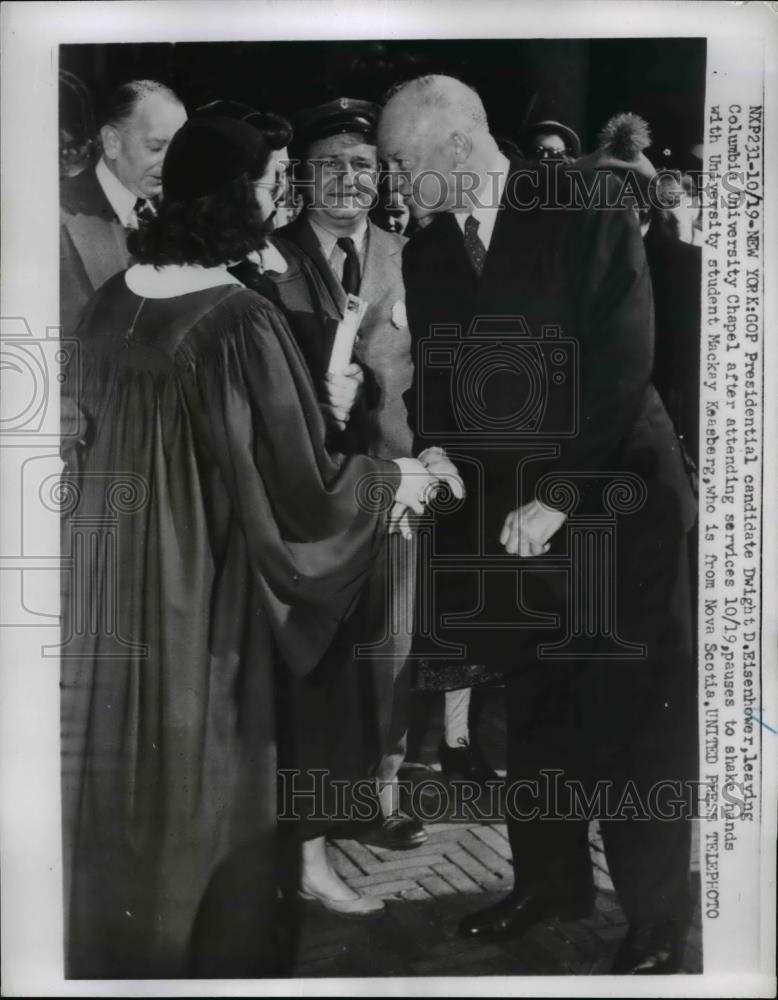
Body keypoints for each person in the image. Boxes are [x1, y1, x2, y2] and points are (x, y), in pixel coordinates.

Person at [60, 114, 441, 978]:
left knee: (134, 779)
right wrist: (392, 484)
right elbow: (300, 490)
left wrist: (322, 413)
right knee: (214, 784)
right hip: (208, 589)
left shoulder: (115, 298)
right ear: (233, 196)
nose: (281, 201)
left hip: (120, 580)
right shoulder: (238, 317)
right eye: (272, 183)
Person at [378, 75, 698, 975]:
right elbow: (441, 373)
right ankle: (550, 882)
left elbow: (623, 355)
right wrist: (436, 453)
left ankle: (657, 919)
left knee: (640, 718)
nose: (396, 184)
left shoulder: (583, 199)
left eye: (403, 161)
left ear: (454, 141)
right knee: (540, 708)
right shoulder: (430, 248)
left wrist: (558, 493)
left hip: (611, 502)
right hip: (508, 518)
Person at [59, 79, 187, 337]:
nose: (171, 163)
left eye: (178, 149)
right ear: (112, 142)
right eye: (156, 147)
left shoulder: (187, 210)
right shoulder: (54, 215)